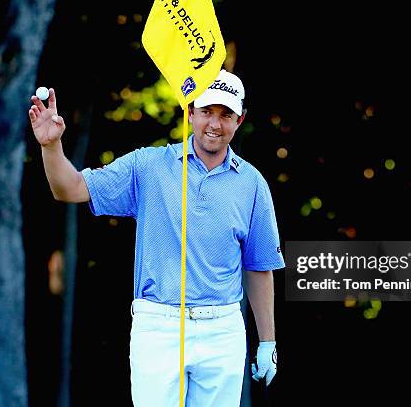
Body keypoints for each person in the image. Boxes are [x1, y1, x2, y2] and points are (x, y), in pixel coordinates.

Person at [29, 69, 285, 406]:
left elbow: (258, 266)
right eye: (206, 111)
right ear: (190, 112)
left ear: (240, 120)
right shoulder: (148, 166)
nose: (215, 124)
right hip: (158, 326)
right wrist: (51, 146)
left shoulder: (252, 183)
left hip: (223, 330)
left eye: (226, 115)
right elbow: (70, 188)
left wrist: (267, 342)